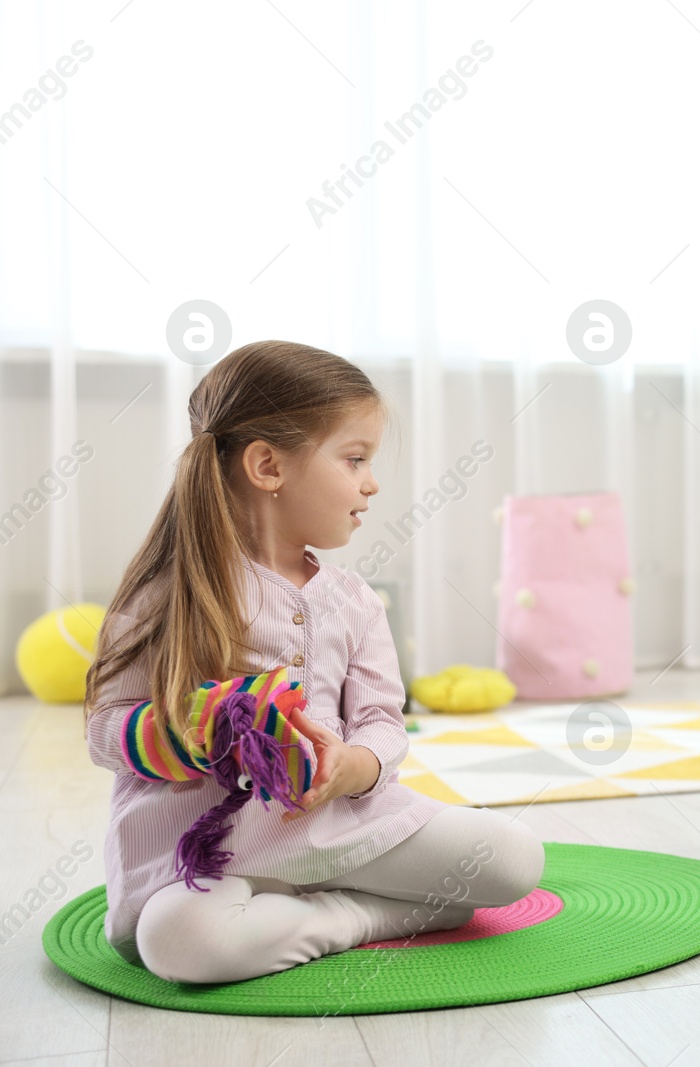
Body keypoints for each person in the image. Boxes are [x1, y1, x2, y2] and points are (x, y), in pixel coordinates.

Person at [83, 340, 544, 983]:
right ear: (267, 466)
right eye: (355, 459)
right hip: (207, 852)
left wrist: (351, 768)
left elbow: (384, 722)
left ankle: (308, 909)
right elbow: (105, 729)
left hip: (337, 829)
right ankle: (359, 917)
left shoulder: (354, 600)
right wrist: (197, 731)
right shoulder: (167, 594)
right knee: (176, 941)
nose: (372, 482)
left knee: (512, 860)